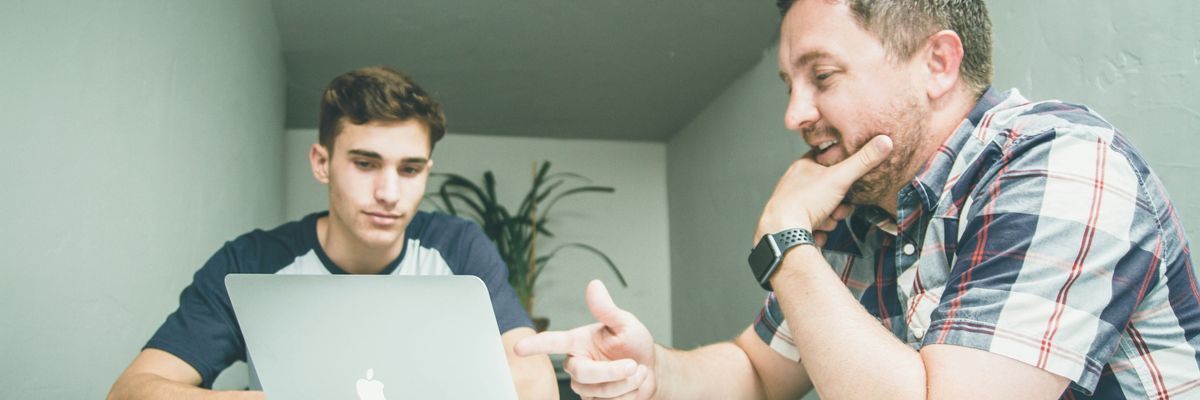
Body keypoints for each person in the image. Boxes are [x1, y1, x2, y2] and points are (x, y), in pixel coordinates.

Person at [516, 0, 1199, 399]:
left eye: (822, 75)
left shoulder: (1061, 163)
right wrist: (653, 369)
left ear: (938, 63)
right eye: (790, 82)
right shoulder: (865, 204)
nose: (794, 113)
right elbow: (758, 372)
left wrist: (785, 238)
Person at [108, 66, 558, 399]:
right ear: (322, 163)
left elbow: (535, 382)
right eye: (365, 164)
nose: (388, 192)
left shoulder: (458, 248)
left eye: (410, 169)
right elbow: (132, 391)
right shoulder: (252, 262)